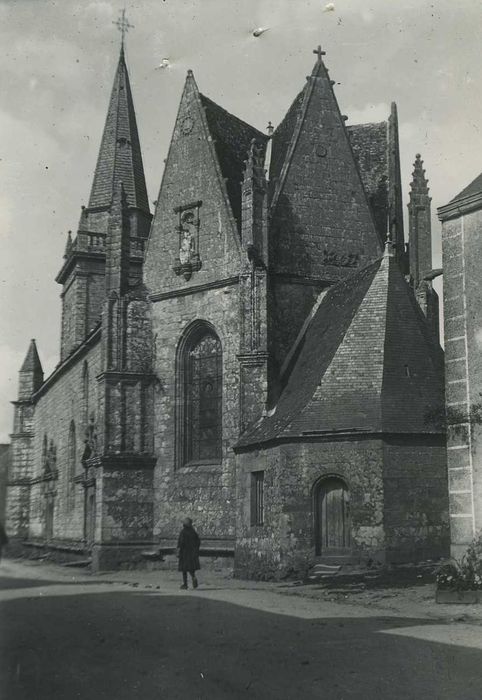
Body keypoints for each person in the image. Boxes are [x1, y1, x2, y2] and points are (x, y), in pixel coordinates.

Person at [177, 517, 200, 590]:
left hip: (184, 552)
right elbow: (198, 542)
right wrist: (196, 549)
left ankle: (185, 584)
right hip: (192, 552)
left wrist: (178, 549)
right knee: (191, 568)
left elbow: (181, 542)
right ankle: (193, 577)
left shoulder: (183, 532)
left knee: (184, 569)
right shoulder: (193, 532)